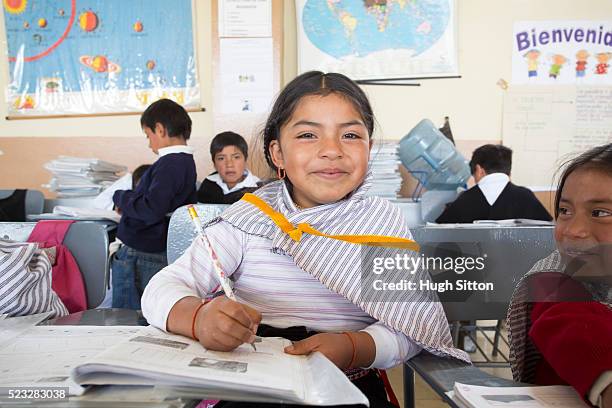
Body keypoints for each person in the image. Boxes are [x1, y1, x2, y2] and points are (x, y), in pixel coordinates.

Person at [142, 71, 469, 407]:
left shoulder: (380, 223)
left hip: (348, 385)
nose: (331, 150)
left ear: (368, 149)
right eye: (309, 135)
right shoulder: (250, 219)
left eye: (351, 135)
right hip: (252, 385)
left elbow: (409, 328)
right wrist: (198, 318)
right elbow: (161, 289)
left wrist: (354, 347)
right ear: (278, 154)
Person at [508, 143, 612, 408]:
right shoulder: (550, 282)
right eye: (564, 211)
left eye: (600, 213)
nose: (573, 230)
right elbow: (580, 333)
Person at [111, 99, 197, 310]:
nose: (149, 143)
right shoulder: (183, 162)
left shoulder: (170, 163)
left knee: (128, 316)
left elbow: (152, 208)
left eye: (148, 135)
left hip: (142, 255)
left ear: (159, 129)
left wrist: (120, 196)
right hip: (151, 250)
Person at [436, 144, 552, 224]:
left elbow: (438, 232)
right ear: (509, 171)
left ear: (479, 170)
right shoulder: (526, 196)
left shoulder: (465, 199)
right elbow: (548, 230)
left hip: (475, 260)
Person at [197, 131, 262, 204]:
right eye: (221, 158)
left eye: (236, 157)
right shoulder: (208, 184)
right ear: (214, 164)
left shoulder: (258, 188)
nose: (229, 164)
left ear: (245, 160)